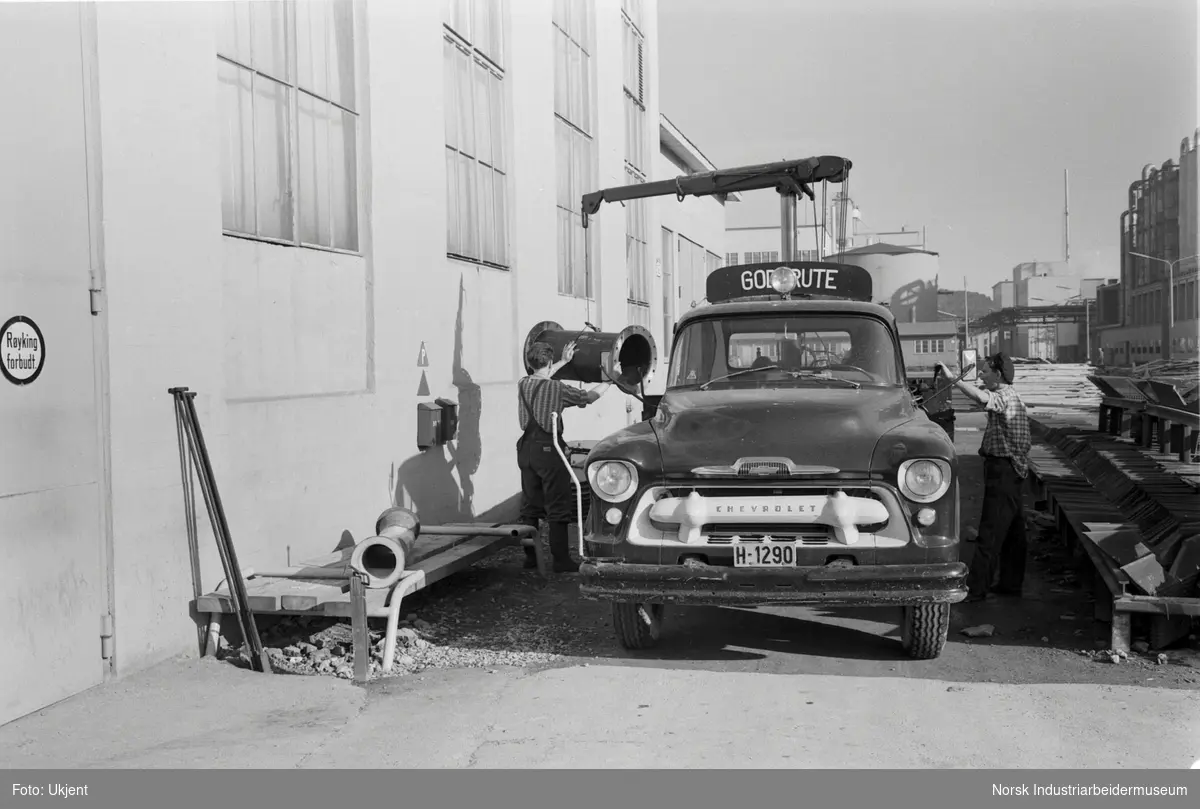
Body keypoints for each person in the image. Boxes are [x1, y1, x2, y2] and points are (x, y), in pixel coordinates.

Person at [936, 352, 1031, 602]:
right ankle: (1010, 585)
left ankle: (977, 589)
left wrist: (952, 379)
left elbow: (981, 396)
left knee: (989, 532)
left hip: (1003, 471)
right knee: (1013, 532)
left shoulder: (1004, 397)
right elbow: (981, 396)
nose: (981, 374)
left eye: (986, 371)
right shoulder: (1010, 396)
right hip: (1012, 470)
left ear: (998, 374)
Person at [517, 340, 612, 572]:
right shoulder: (556, 389)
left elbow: (543, 376)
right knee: (558, 506)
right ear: (548, 362)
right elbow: (587, 398)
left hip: (525, 451)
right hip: (549, 451)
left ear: (530, 363)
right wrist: (609, 383)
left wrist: (562, 362)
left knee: (530, 507)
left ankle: (531, 558)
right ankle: (560, 560)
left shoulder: (522, 384)